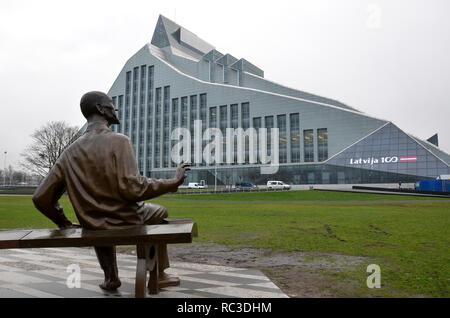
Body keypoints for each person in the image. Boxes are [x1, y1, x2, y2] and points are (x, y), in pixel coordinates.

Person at [32, 91, 190, 291]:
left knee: (97, 219)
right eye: (112, 104)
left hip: (93, 224)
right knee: (160, 212)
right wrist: (173, 182)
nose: (116, 108)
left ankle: (111, 277)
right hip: (125, 219)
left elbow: (40, 198)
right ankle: (159, 274)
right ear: (100, 108)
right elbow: (134, 188)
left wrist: (63, 222)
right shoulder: (119, 141)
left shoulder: (69, 152)